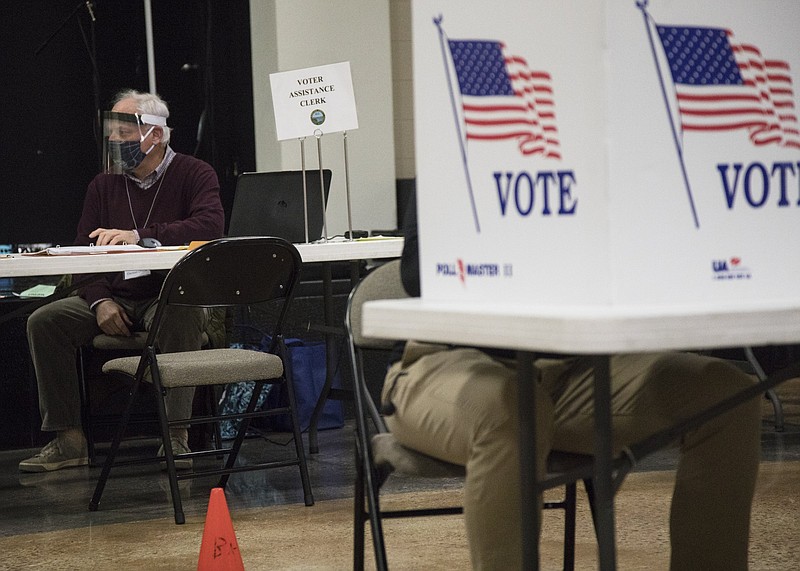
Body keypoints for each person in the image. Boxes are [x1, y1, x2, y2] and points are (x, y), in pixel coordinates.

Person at [381, 195, 761, 570]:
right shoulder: (459, 155)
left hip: (569, 364)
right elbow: (417, 273)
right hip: (446, 363)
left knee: (728, 397)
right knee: (512, 413)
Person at [19, 89, 225, 473]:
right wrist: (100, 301)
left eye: (124, 132)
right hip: (114, 292)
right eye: (111, 132)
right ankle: (69, 441)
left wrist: (141, 234)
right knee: (44, 321)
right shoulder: (103, 184)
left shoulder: (195, 173)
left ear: (156, 135)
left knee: (183, 311)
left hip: (168, 293)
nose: (114, 140)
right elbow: (83, 252)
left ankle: (176, 436)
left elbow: (210, 226)